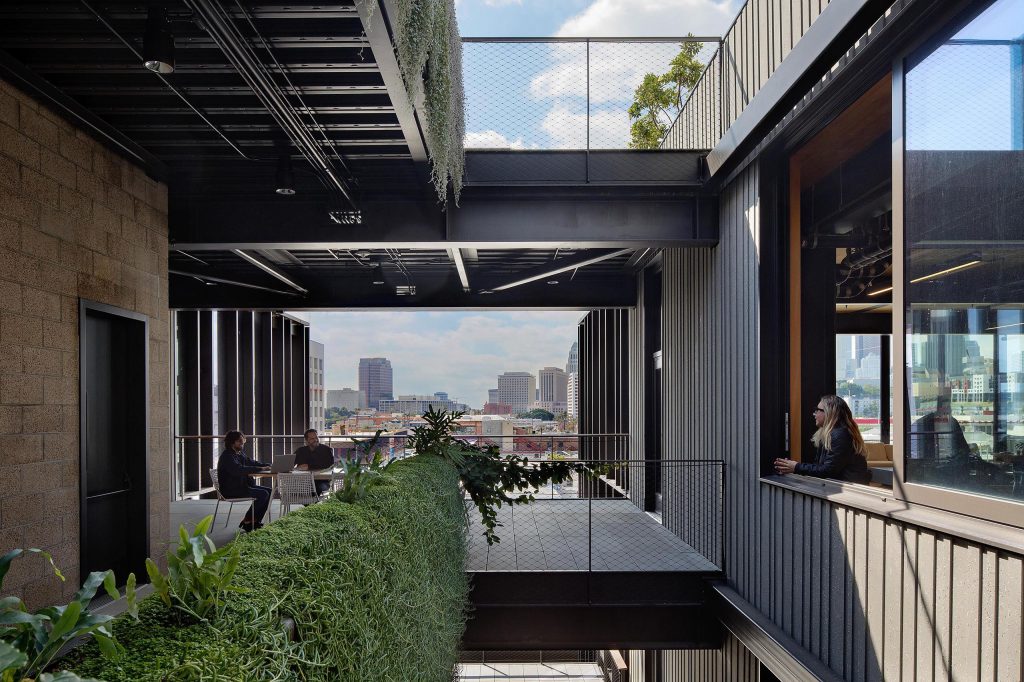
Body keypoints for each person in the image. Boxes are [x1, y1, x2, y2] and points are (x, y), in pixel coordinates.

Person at [774, 395, 871, 484]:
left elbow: (828, 471)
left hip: (849, 493)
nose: (814, 414)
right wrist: (792, 468)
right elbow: (821, 468)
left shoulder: (840, 435)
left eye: (817, 410)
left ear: (829, 412)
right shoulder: (831, 433)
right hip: (841, 489)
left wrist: (796, 467)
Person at [217, 430, 271, 532]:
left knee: (270, 491)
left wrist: (268, 465)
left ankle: (254, 522)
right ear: (232, 442)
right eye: (240, 441)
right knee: (263, 494)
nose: (242, 444)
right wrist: (260, 469)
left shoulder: (239, 453)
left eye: (243, 441)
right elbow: (238, 470)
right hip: (231, 490)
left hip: (241, 486)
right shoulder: (227, 456)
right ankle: (248, 521)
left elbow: (252, 462)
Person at [294, 428, 335, 495]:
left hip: (322, 481)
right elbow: (290, 463)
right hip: (304, 481)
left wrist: (309, 466)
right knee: (295, 488)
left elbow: (330, 466)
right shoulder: (300, 451)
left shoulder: (326, 450)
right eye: (312, 439)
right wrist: (297, 468)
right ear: (307, 441)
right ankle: (309, 503)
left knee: (314, 488)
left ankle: (310, 503)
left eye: (316, 437)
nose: (315, 440)